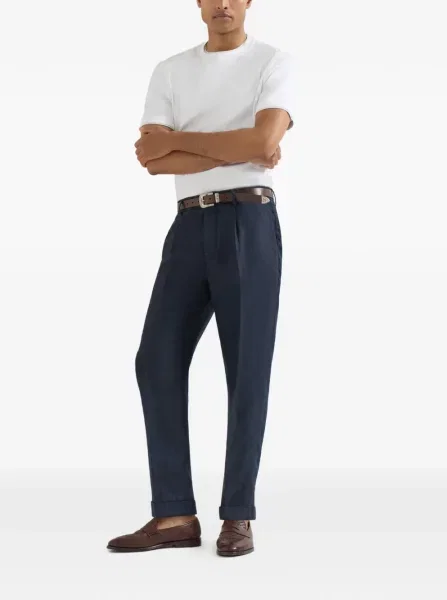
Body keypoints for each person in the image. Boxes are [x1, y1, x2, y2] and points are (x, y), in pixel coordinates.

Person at [107, 0, 296, 558]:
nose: (223, 4)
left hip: (249, 221)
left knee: (246, 368)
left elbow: (261, 143)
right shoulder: (170, 70)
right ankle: (174, 514)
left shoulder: (273, 62)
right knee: (156, 359)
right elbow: (152, 157)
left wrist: (186, 141)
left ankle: (237, 516)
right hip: (188, 224)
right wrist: (238, 144)